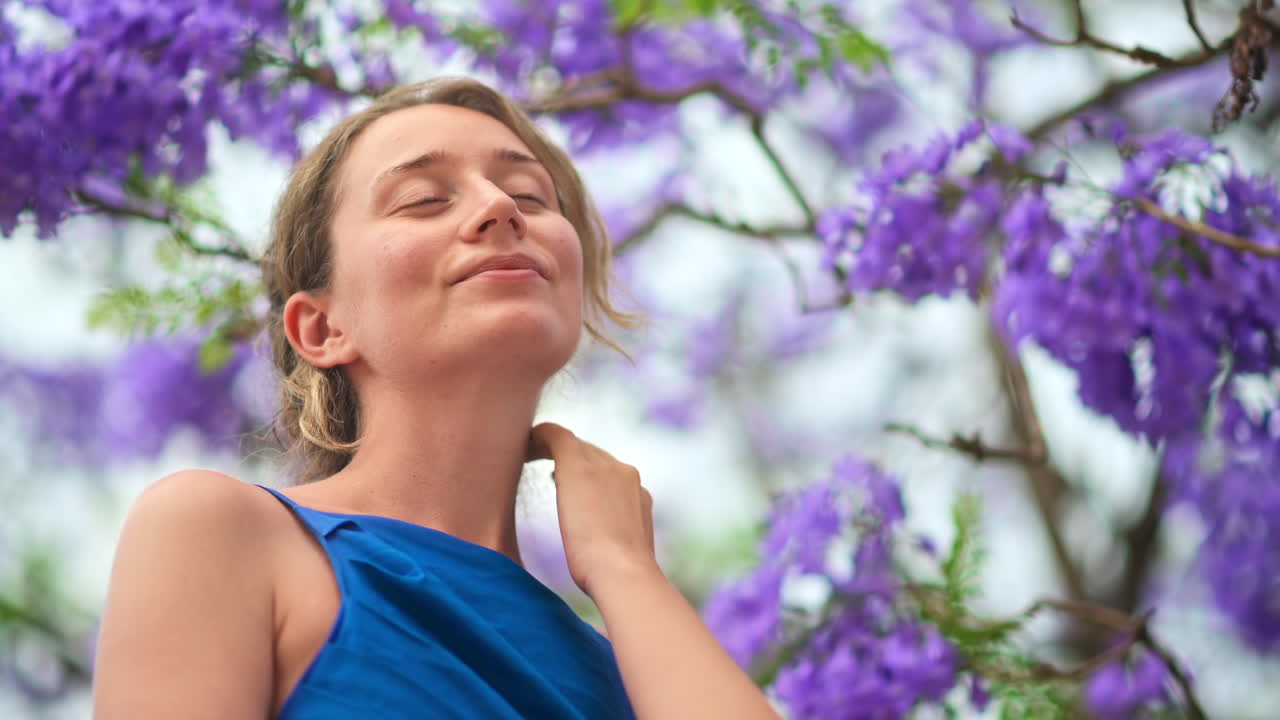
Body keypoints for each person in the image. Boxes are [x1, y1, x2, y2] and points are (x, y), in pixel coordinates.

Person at [92, 77, 780, 719]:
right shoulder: (225, 534)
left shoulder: (636, 666)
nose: (500, 208)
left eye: (532, 196)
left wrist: (626, 567)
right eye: (424, 198)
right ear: (323, 328)